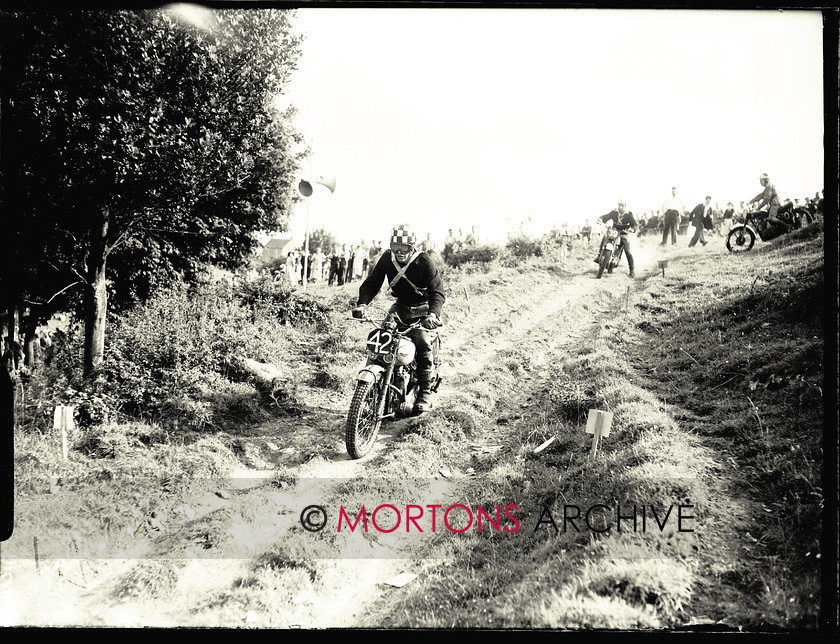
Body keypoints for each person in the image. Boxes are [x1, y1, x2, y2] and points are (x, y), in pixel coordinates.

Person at [352, 223, 445, 414]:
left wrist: (433, 315)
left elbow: (437, 291)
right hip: (400, 307)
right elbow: (372, 282)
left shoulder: (424, 261)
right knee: (382, 338)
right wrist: (362, 304)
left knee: (422, 340)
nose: (400, 252)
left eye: (405, 248)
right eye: (395, 247)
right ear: (391, 246)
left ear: (413, 247)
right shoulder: (387, 258)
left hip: (423, 309)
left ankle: (425, 394)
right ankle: (370, 392)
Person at [595, 198, 637, 278]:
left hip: (623, 233)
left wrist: (633, 229)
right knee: (605, 237)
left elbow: (634, 224)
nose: (620, 207)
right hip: (614, 231)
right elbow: (606, 216)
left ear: (625, 206)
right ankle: (599, 255)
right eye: (619, 205)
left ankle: (632, 270)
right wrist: (600, 219)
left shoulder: (629, 215)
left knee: (627, 250)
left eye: (622, 205)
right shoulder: (614, 213)